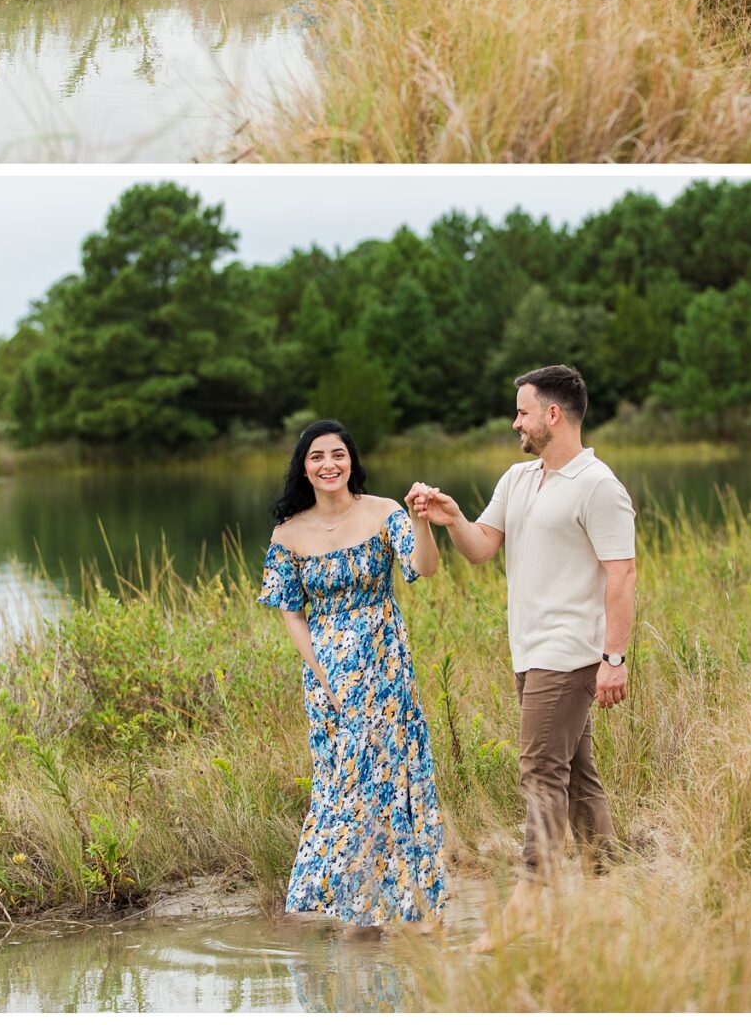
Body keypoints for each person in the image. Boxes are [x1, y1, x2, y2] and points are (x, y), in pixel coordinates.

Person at [408, 365, 636, 945]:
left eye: (523, 412)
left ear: (552, 415)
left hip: (572, 652)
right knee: (577, 776)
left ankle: (529, 901)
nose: (516, 422)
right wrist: (452, 518)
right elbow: (482, 549)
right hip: (529, 652)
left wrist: (614, 658)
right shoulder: (517, 478)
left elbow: (622, 574)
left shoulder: (599, 486)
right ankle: (611, 896)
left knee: (539, 768)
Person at [260, 419, 447, 931]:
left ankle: (398, 904)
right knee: (342, 786)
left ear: (351, 461)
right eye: (317, 456)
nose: (329, 465)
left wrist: (423, 522)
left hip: (385, 665)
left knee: (391, 778)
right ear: (304, 466)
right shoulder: (288, 532)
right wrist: (322, 673)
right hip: (327, 676)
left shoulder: (384, 512)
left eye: (338, 455)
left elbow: (423, 568)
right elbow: (290, 611)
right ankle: (346, 903)